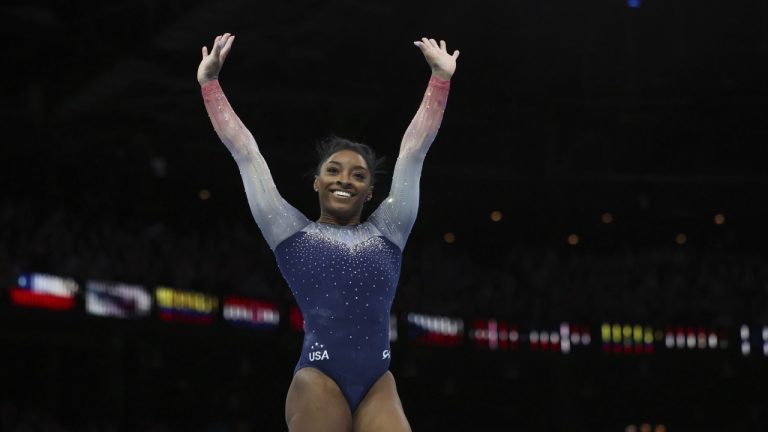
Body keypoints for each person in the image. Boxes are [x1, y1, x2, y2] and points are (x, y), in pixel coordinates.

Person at [197, 32, 458, 432]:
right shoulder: (288, 232)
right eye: (333, 171)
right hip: (318, 378)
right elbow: (246, 153)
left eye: (358, 176)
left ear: (370, 191)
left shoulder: (391, 230)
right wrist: (210, 85)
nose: (344, 180)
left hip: (378, 383)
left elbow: (414, 152)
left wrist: (440, 81)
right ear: (316, 183)